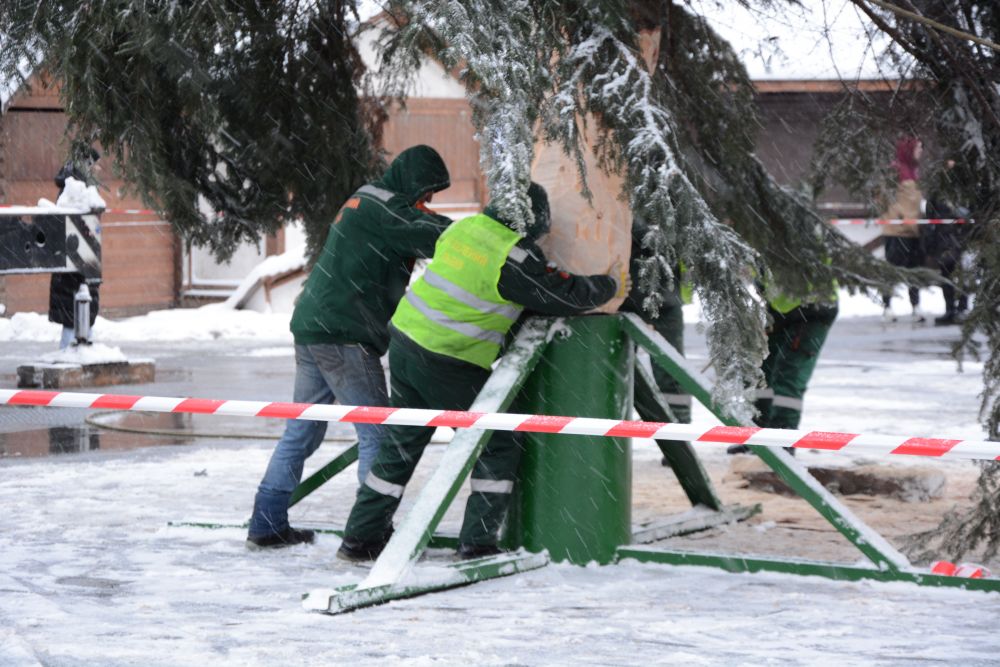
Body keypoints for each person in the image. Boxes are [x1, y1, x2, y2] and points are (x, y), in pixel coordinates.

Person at [337, 182, 624, 561]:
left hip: (407, 342)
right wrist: (611, 284)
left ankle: (360, 538)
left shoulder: (464, 228)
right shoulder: (512, 257)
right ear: (530, 221)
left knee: (401, 446)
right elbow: (559, 294)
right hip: (447, 357)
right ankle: (477, 544)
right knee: (497, 441)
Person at [246, 145, 453, 550]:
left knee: (300, 432)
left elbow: (413, 226)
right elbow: (436, 237)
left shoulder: (368, 198)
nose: (427, 203)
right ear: (414, 182)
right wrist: (481, 233)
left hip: (313, 326)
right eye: (427, 194)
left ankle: (266, 524)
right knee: (377, 433)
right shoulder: (387, 209)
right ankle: (368, 535)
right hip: (344, 333)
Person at [728, 283, 838, 454]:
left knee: (788, 378)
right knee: (763, 372)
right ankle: (758, 436)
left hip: (812, 308)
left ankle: (782, 443)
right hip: (780, 309)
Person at [619, 221, 692, 464]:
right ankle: (615, 433)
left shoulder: (662, 212)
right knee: (622, 372)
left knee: (670, 375)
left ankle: (679, 440)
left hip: (659, 302)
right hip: (633, 302)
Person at [50, 147, 102, 348]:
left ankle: (81, 355)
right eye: (93, 164)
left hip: (79, 267)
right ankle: (68, 359)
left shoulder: (74, 190)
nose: (97, 169)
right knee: (73, 322)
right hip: (76, 268)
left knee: (80, 320)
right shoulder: (74, 192)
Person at [880, 136, 926, 323]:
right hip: (896, 233)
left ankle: (915, 307)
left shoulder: (914, 172)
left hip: (914, 232)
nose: (920, 152)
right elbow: (882, 197)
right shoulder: (895, 170)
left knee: (914, 272)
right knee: (892, 272)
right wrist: (899, 216)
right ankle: (887, 307)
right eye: (918, 148)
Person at [922, 159, 970, 326]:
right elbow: (929, 217)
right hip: (944, 240)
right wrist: (930, 240)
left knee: (962, 274)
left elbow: (969, 213)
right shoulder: (937, 193)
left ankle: (962, 308)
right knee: (947, 275)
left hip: (960, 239)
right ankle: (950, 309)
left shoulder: (963, 190)